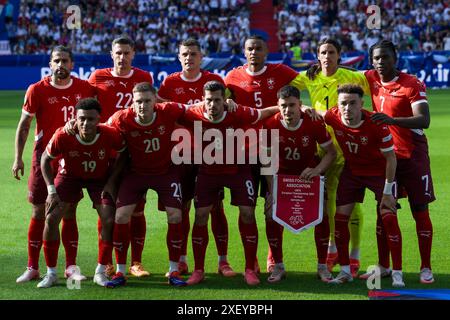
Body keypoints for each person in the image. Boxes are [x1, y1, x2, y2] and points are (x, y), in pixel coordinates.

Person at [181, 81, 280, 286]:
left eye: (217, 100)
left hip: (238, 170)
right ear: (203, 100)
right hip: (208, 171)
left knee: (247, 213)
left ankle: (249, 269)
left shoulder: (238, 112)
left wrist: (290, 106)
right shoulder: (193, 114)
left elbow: (262, 113)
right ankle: (198, 270)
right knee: (200, 215)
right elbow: (168, 110)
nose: (213, 104)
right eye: (209, 100)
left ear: (224, 100)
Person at [12, 46, 95, 283]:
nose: (61, 64)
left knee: (69, 211)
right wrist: (18, 157)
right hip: (44, 158)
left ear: (72, 63)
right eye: (56, 60)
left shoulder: (84, 88)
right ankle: (32, 266)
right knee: (39, 211)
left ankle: (70, 267)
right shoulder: (36, 90)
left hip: (72, 158)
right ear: (50, 63)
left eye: (65, 60)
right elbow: (25, 125)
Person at [290, 38, 370, 276]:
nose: (327, 56)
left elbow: (375, 84)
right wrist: (303, 108)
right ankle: (333, 250)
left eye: (331, 52)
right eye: (323, 52)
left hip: (348, 151)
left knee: (350, 204)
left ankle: (354, 256)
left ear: (339, 55)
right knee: (328, 205)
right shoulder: (308, 77)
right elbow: (285, 91)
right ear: (317, 55)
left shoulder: (352, 77)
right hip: (322, 151)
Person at [156, 38, 235, 277]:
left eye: (193, 54)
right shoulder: (170, 82)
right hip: (180, 154)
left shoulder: (214, 82)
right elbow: (160, 107)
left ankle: (223, 260)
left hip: (210, 153)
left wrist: (230, 101)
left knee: (215, 208)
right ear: (179, 57)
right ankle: (182, 259)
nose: (189, 58)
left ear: (201, 57)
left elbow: (228, 106)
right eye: (185, 54)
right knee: (182, 207)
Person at [225, 35, 299, 274]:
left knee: (271, 208)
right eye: (249, 49)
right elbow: (226, 107)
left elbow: (309, 82)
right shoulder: (232, 77)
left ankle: (273, 257)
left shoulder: (281, 72)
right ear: (244, 52)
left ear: (267, 51)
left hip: (274, 151)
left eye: (258, 48)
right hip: (245, 153)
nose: (254, 52)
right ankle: (251, 260)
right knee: (246, 208)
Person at [363, 40, 435, 284]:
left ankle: (425, 267)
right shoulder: (371, 78)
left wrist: (391, 120)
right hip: (386, 159)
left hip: (413, 157)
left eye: (385, 57)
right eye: (376, 58)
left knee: (420, 211)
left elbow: (423, 120)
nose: (381, 62)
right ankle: (384, 266)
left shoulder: (411, 84)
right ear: (371, 61)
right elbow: (341, 72)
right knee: (384, 211)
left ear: (395, 58)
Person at [104, 82, 188, 288]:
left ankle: (174, 269)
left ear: (156, 101)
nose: (142, 106)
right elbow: (100, 129)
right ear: (133, 102)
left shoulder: (168, 110)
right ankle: (120, 271)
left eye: (147, 101)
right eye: (138, 102)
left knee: (176, 215)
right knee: (121, 216)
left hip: (165, 173)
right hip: (135, 174)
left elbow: (196, 108)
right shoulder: (122, 118)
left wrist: (227, 104)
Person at [320, 84, 404, 287]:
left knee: (389, 218)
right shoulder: (332, 116)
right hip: (352, 172)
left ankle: (397, 272)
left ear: (361, 104)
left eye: (352, 103)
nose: (347, 108)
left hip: (379, 173)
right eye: (343, 104)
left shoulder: (377, 124)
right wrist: (304, 109)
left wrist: (387, 192)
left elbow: (391, 158)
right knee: (340, 219)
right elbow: (315, 112)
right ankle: (346, 271)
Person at [37, 98, 126, 288]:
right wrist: (51, 191)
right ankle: (51, 273)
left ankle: (100, 271)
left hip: (100, 178)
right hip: (69, 177)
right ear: (75, 118)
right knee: (51, 218)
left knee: (109, 219)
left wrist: (111, 181)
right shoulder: (63, 135)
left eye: (91, 119)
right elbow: (45, 159)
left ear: (99, 119)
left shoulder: (110, 134)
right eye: (82, 119)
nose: (86, 123)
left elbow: (123, 153)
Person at [88, 36, 154, 278]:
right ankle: (106, 262)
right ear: (111, 53)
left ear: (133, 53)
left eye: (126, 53)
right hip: (107, 153)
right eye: (118, 53)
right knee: (106, 210)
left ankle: (136, 262)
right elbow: (85, 108)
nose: (122, 57)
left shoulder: (144, 78)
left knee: (136, 210)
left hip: (135, 153)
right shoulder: (97, 78)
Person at [262, 85, 337, 283]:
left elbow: (331, 153)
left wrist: (317, 171)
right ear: (278, 107)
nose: (288, 110)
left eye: (292, 105)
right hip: (280, 178)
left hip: (308, 178)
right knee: (271, 214)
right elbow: (266, 160)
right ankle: (277, 266)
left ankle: (322, 266)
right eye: (283, 106)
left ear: (300, 105)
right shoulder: (270, 124)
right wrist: (272, 191)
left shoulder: (313, 123)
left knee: (322, 216)